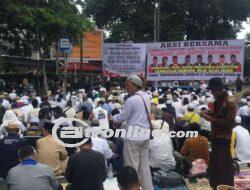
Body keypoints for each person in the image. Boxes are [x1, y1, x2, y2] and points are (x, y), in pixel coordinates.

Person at [113, 75, 154, 190]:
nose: (126, 86)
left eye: (128, 84)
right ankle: (148, 188)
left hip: (133, 137)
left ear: (136, 85)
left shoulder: (131, 100)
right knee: (144, 166)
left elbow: (122, 116)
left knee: (131, 168)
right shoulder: (146, 96)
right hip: (145, 135)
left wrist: (114, 119)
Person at [202, 77, 236, 189]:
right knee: (216, 166)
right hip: (216, 137)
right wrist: (210, 113)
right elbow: (219, 115)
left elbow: (229, 122)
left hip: (223, 138)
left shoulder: (229, 102)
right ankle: (216, 186)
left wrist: (212, 119)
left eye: (212, 90)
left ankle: (225, 186)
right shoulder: (218, 102)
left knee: (223, 167)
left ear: (218, 89)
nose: (211, 92)